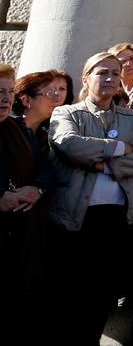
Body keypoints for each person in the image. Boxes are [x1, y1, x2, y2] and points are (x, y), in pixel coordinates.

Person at [46, 52, 133, 346]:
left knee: (101, 298)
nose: (109, 79)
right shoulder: (67, 114)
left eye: (115, 73)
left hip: (116, 220)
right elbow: (70, 145)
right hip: (75, 220)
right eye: (102, 72)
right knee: (68, 297)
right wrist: (119, 147)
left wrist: (102, 164)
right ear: (85, 78)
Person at [0, 62, 54, 342]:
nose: (5, 98)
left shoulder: (18, 129)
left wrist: (36, 189)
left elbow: (47, 170)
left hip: (19, 243)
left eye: (9, 91)